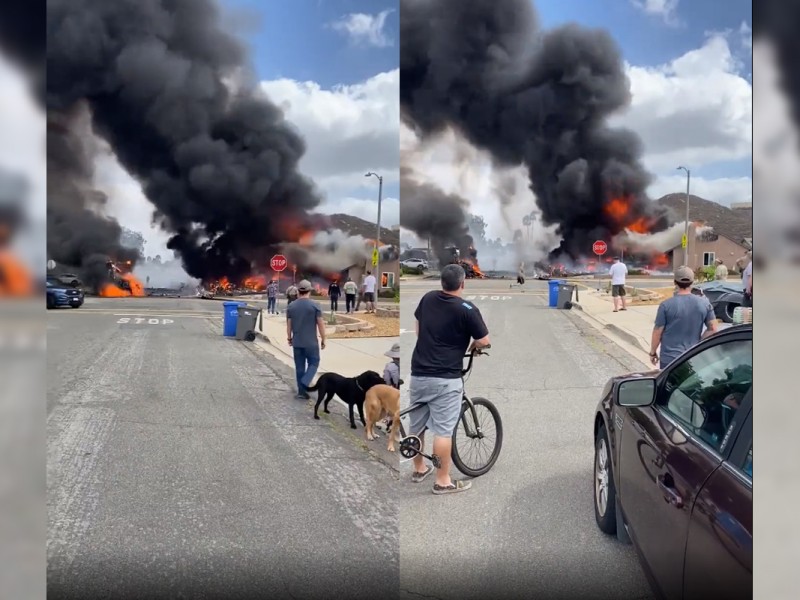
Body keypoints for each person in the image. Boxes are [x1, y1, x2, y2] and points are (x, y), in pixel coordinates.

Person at [408, 264, 491, 495]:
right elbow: (484, 340)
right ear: (463, 283)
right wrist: (474, 346)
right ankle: (443, 481)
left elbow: (418, 327)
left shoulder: (428, 298)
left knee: (417, 426)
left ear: (442, 282)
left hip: (419, 374)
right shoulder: (467, 309)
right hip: (446, 378)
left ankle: (419, 469)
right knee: (443, 431)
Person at [649, 266, 718, 369]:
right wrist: (698, 343)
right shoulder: (704, 303)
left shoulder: (665, 305)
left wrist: (653, 352)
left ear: (675, 282)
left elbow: (657, 332)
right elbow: (713, 328)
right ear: (692, 282)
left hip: (669, 359)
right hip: (692, 356)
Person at [286, 280, 326, 399]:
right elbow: (320, 324)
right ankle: (306, 381)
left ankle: (301, 392)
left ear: (298, 291)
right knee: (314, 363)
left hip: (297, 342)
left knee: (299, 367)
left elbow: (289, 325)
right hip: (311, 343)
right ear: (309, 291)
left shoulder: (291, 306)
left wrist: (289, 337)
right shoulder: (315, 305)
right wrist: (324, 338)